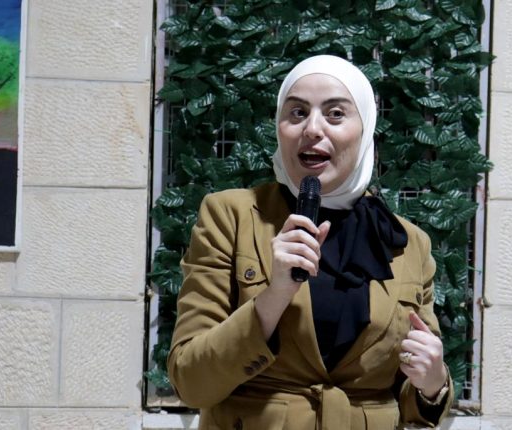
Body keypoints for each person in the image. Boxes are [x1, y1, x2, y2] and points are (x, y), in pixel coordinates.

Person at [167, 55, 453, 429]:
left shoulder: (408, 242)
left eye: (335, 114)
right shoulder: (231, 216)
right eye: (297, 113)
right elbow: (191, 381)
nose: (312, 129)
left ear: (365, 130)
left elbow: (413, 397)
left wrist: (433, 383)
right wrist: (274, 296)